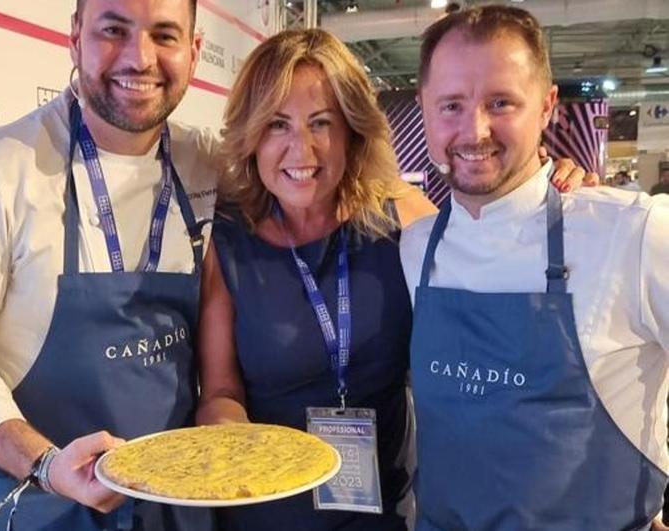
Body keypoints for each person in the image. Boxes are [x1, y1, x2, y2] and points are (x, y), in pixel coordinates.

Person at [195, 28, 589, 531]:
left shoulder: (402, 218)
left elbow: (498, 250)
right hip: (268, 511)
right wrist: (235, 441)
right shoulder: (228, 240)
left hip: (383, 511)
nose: (301, 149)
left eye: (322, 122)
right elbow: (220, 390)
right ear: (250, 135)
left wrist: (556, 190)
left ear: (353, 130)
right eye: (277, 124)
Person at [0, 0, 218, 529]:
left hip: (176, 511)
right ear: (75, 37)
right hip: (39, 506)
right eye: (113, 30)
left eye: (164, 36)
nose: (139, 58)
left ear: (193, 52)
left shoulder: (208, 164)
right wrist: (48, 464)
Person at [400, 5, 669, 530]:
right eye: (451, 105)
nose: (474, 130)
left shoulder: (635, 233)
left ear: (546, 107)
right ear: (425, 110)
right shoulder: (414, 247)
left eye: (500, 102)